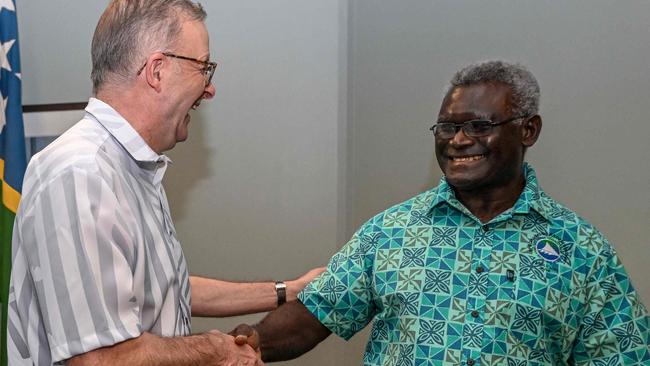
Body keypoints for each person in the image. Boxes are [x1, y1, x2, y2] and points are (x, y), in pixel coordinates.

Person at [233, 60, 650, 365]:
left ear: (528, 130)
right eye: (447, 127)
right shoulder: (391, 231)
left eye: (479, 126)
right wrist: (244, 343)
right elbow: (314, 315)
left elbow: (622, 357)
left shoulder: (582, 251)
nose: (458, 140)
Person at [7, 1, 323, 365]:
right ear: (157, 70)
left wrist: (287, 291)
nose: (210, 89)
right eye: (204, 68)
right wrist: (214, 350)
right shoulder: (81, 176)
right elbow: (100, 359)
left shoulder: (133, 168)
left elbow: (166, 289)